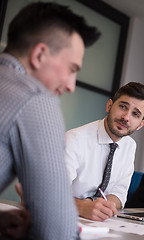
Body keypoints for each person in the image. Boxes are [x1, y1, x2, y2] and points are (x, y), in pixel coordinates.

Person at [0, 2, 100, 239]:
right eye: (72, 69)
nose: (71, 86)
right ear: (39, 55)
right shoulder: (34, 97)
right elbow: (58, 232)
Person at [65, 82, 144, 221]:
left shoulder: (129, 145)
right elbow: (50, 191)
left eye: (135, 114)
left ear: (140, 125)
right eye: (123, 107)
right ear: (109, 106)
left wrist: (99, 206)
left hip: (99, 224)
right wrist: (81, 206)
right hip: (65, 216)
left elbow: (120, 193)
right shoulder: (75, 139)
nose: (126, 117)